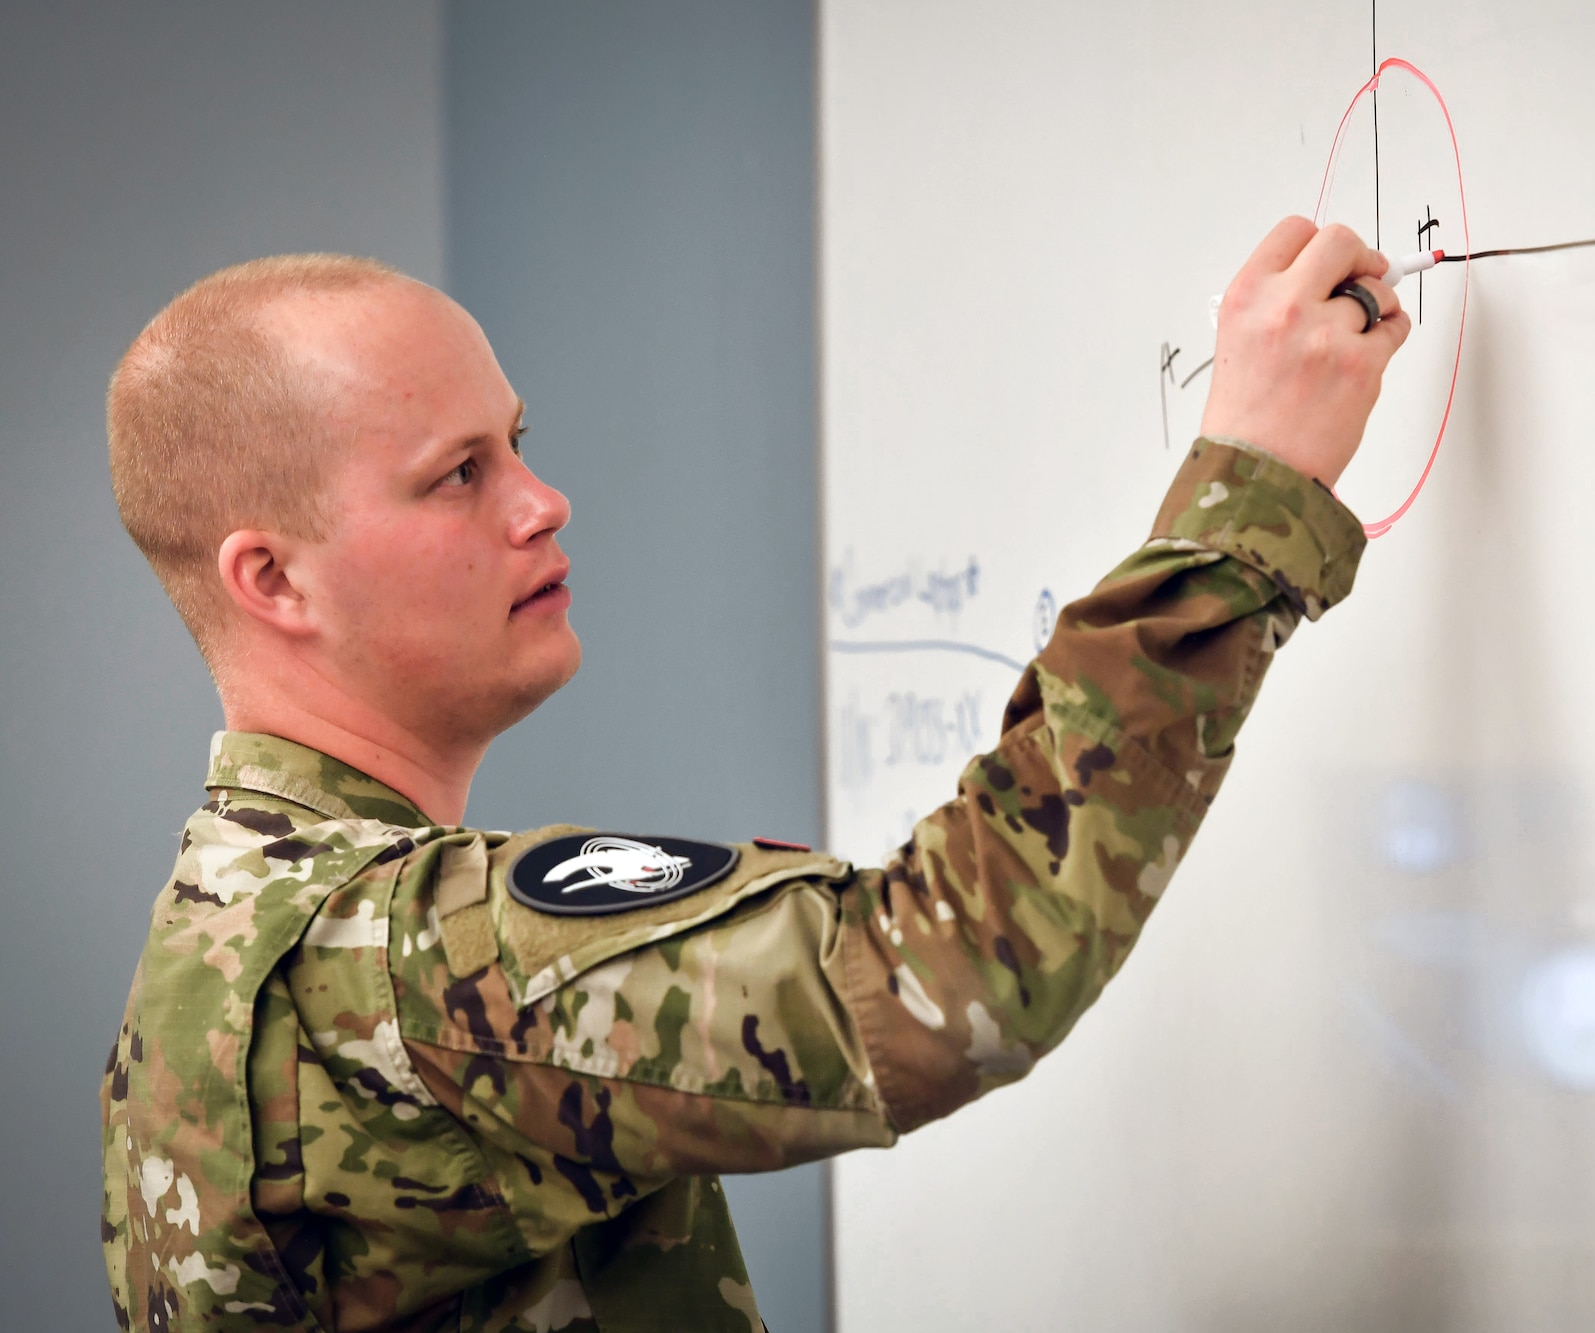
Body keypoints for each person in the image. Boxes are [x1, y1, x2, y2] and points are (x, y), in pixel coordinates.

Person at [99, 218, 1408, 1332]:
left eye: (516, 441)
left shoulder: (232, 917)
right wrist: (1248, 498)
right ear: (273, 579)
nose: (541, 499)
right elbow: (943, 970)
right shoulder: (395, 955)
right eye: (457, 475)